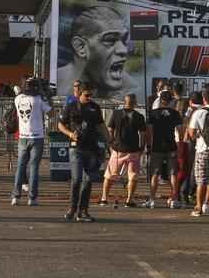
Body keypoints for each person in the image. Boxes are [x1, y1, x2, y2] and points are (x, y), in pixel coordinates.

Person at [56, 4, 131, 98]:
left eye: (124, 39)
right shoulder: (58, 83)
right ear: (81, 47)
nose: (123, 50)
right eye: (110, 40)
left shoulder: (130, 88)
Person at [58, 81, 107, 222]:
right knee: (77, 179)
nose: (89, 97)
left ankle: (83, 210)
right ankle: (72, 208)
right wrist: (69, 134)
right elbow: (60, 124)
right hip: (76, 148)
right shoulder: (71, 106)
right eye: (87, 95)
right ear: (80, 93)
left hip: (91, 148)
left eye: (91, 95)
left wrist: (110, 141)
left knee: (88, 180)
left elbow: (101, 126)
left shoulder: (95, 108)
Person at [101, 93, 147, 207]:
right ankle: (129, 200)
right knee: (133, 176)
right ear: (135, 103)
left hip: (118, 149)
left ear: (124, 102)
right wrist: (142, 147)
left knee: (109, 175)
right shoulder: (139, 116)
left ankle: (104, 198)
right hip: (133, 150)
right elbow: (142, 134)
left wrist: (111, 142)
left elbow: (110, 129)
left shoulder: (116, 114)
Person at [11, 78, 51, 206]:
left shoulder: (17, 99)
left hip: (23, 137)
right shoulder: (38, 99)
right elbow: (51, 113)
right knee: (34, 168)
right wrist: (46, 96)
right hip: (37, 137)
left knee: (20, 167)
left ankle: (15, 196)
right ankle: (32, 198)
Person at [187, 88, 209, 217]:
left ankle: (198, 207)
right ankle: (208, 203)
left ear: (204, 99)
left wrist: (198, 136)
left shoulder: (198, 113)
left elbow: (191, 133)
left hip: (202, 149)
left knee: (201, 179)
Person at [146, 90, 183, 209]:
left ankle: (152, 199)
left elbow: (149, 131)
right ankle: (175, 199)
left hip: (157, 147)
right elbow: (180, 130)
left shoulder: (153, 113)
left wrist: (149, 145)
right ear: (170, 101)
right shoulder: (175, 113)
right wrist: (180, 144)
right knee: (173, 173)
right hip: (171, 146)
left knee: (155, 173)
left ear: (160, 100)